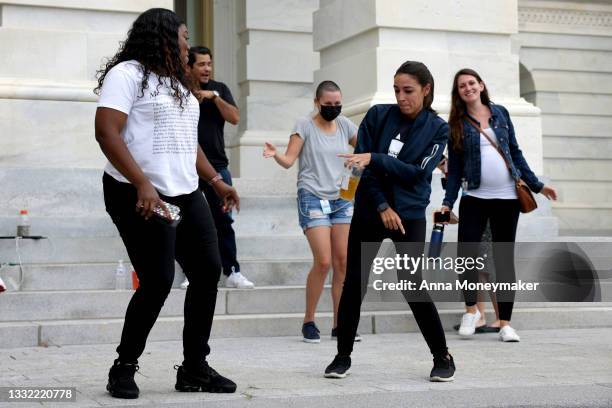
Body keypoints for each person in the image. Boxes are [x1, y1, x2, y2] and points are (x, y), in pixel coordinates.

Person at [94, 8, 239, 399]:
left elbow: (184, 142)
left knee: (208, 272)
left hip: (186, 191)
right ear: (162, 36)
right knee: (157, 281)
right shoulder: (128, 75)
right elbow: (107, 132)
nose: (187, 44)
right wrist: (142, 183)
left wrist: (215, 181)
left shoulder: (178, 84)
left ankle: (194, 368)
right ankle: (124, 366)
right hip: (135, 191)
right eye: (184, 36)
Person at [323, 61, 455, 382]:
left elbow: (418, 172)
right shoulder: (378, 115)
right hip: (371, 211)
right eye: (396, 90)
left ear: (426, 89)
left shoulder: (437, 129)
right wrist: (382, 204)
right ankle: (342, 356)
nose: (400, 97)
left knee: (412, 284)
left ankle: (442, 356)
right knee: (354, 284)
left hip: (408, 216)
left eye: (408, 90)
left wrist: (376, 159)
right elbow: (359, 166)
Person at [440, 68, 557, 342]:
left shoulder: (501, 113)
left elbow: (514, 152)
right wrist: (447, 202)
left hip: (507, 198)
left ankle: (505, 323)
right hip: (475, 198)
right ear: (458, 93)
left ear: (481, 85)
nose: (468, 88)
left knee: (503, 260)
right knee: (466, 254)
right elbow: (455, 170)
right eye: (462, 86)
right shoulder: (456, 124)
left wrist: (537, 185)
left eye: (471, 83)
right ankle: (471, 310)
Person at [263, 81, 359, 343]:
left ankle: (341, 325)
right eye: (328, 104)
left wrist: (361, 158)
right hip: (312, 196)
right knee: (324, 261)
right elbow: (289, 160)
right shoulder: (304, 125)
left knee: (342, 262)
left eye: (338, 104)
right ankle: (309, 320)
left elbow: (366, 148)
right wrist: (274, 154)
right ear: (317, 103)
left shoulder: (345, 125)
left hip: (341, 198)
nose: (333, 108)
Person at [181, 45, 254, 290]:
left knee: (223, 220)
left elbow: (234, 117)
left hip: (217, 166)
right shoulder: (180, 89)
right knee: (189, 222)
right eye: (201, 64)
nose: (207, 69)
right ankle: (191, 272)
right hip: (187, 166)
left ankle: (232, 271)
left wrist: (214, 97)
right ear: (189, 66)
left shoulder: (219, 89)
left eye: (209, 64)